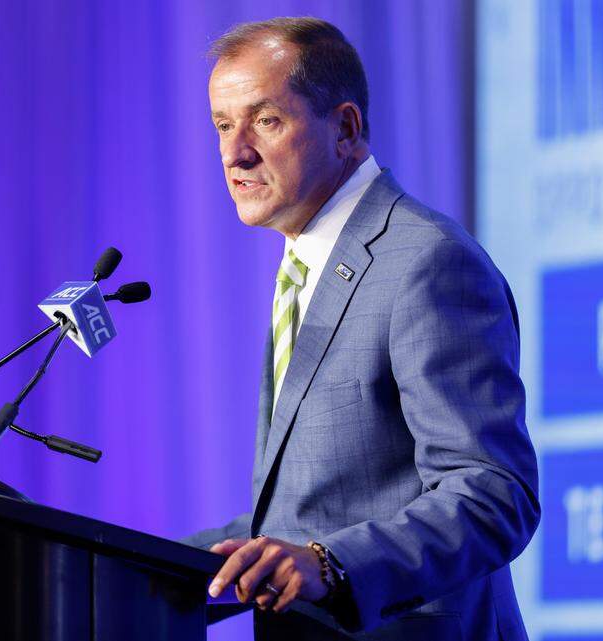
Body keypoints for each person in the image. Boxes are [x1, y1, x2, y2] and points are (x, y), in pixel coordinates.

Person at [184, 17, 540, 641]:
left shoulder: (426, 262)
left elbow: (491, 493)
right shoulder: (305, 264)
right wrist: (126, 561)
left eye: (265, 120)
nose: (235, 152)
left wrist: (330, 565)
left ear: (345, 128)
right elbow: (319, 507)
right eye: (222, 124)